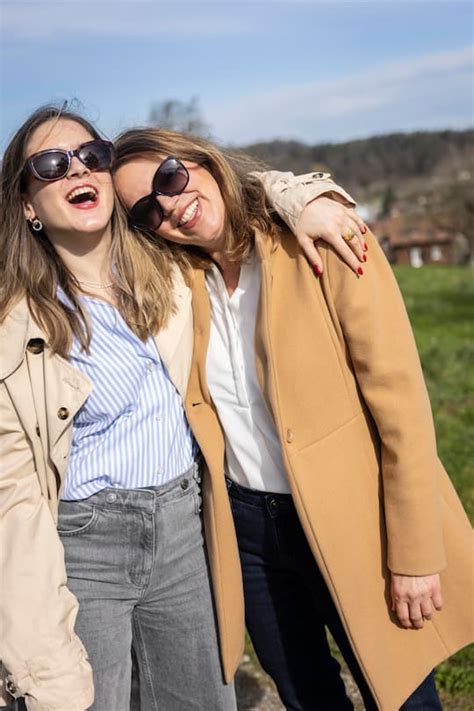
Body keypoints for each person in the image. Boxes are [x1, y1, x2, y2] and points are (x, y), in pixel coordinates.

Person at [0, 105, 366, 711]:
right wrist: (35, 654)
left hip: (183, 528)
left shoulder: (170, 268)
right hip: (82, 544)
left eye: (92, 156)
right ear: (27, 206)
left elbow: (225, 198)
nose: (76, 170)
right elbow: (10, 499)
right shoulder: (16, 326)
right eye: (51, 164)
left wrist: (304, 198)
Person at [113, 127, 474, 711]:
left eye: (171, 177)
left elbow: (401, 403)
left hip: (352, 518)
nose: (171, 205)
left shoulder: (322, 241)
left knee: (402, 698)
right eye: (147, 211)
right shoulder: (180, 285)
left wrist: (414, 551)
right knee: (305, 695)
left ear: (203, 160)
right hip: (250, 532)